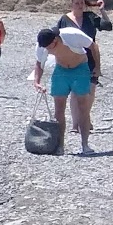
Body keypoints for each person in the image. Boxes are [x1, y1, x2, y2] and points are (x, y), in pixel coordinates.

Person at [32, 26, 96, 155]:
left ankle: (85, 144)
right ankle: (60, 145)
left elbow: (93, 46)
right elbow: (39, 64)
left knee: (83, 107)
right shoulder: (42, 46)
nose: (49, 51)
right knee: (59, 109)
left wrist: (97, 67)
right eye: (47, 49)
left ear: (56, 40)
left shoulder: (72, 35)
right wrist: (37, 82)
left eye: (50, 47)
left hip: (80, 68)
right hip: (61, 71)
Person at [58, 0, 112, 132]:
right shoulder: (64, 20)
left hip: (91, 58)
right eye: (77, 3)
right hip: (72, 59)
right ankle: (76, 124)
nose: (80, 5)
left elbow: (107, 26)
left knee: (90, 91)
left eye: (82, 3)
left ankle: (85, 119)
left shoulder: (90, 17)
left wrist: (102, 11)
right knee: (75, 93)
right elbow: (57, 39)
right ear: (72, 5)